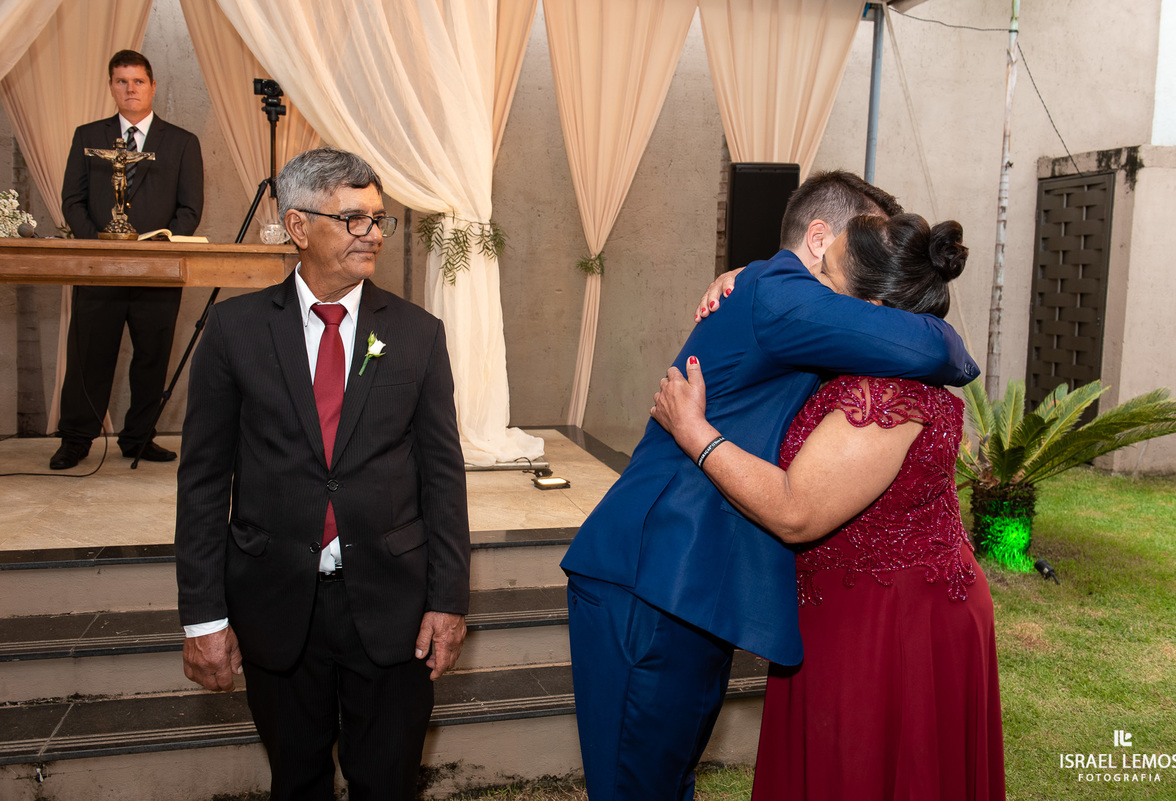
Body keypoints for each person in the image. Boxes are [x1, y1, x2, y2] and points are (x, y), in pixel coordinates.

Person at [560, 171, 980, 800]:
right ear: (819, 240)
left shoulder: (774, 294)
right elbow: (937, 351)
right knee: (635, 785)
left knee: (664, 777)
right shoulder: (781, 293)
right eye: (857, 248)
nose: (861, 273)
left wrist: (744, 274)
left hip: (696, 583)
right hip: (652, 575)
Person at [651, 213, 1005, 800]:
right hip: (871, 603)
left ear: (863, 303)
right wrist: (749, 278)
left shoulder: (879, 394)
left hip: (889, 621)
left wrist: (696, 434)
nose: (806, 274)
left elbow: (797, 513)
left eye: (823, 268)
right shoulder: (878, 365)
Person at [174, 147, 470, 800]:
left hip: (393, 606)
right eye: (354, 219)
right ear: (299, 226)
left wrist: (448, 599)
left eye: (378, 220)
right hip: (277, 604)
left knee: (387, 782)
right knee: (297, 781)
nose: (371, 234)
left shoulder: (419, 335)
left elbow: (443, 479)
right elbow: (200, 483)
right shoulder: (234, 330)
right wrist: (203, 617)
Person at [51, 49, 204, 469]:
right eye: (121, 81)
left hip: (157, 270)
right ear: (111, 86)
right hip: (99, 269)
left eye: (138, 81)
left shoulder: (182, 142)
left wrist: (159, 248)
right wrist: (100, 248)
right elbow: (73, 200)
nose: (130, 89)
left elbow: (190, 209)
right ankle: (77, 438)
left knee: (152, 358)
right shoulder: (88, 136)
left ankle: (139, 437)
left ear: (153, 86)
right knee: (89, 355)